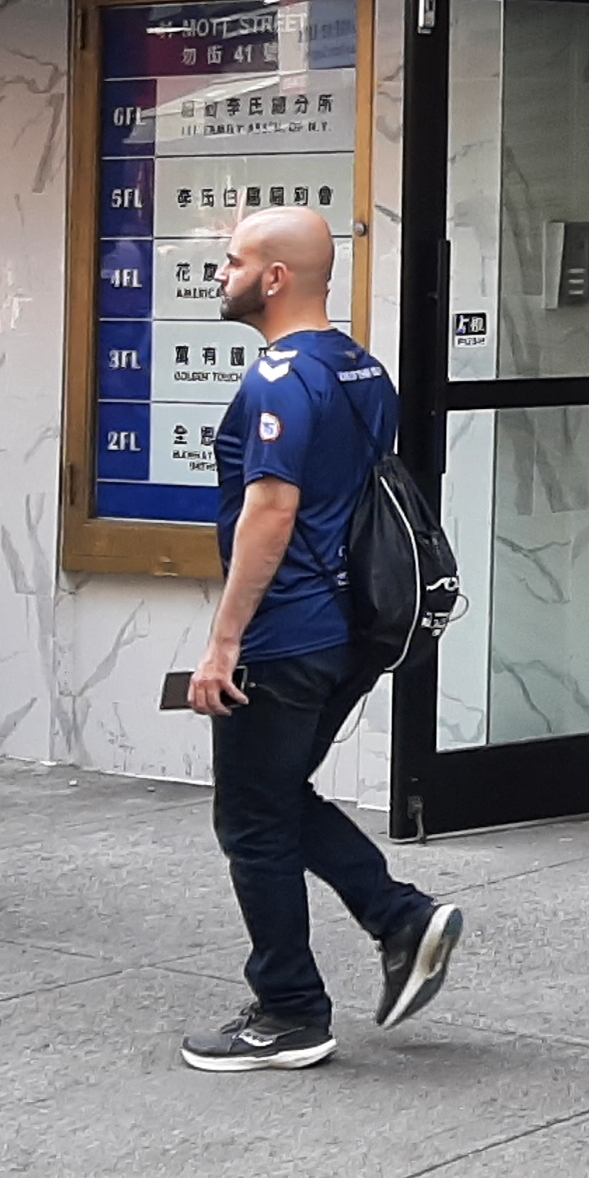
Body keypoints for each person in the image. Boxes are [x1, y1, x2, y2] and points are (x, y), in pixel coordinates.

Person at [183, 204, 462, 1072]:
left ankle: (290, 1010)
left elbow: (272, 510)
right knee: (277, 796)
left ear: (275, 278)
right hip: (350, 629)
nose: (219, 275)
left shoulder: (281, 377)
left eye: (233, 262)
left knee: (251, 821)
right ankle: (399, 918)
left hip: (285, 632)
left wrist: (224, 642)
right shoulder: (361, 368)